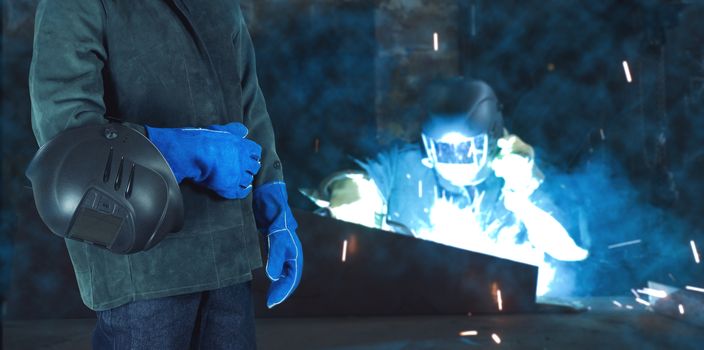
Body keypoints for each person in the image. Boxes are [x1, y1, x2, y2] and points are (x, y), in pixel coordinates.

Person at [29, 0, 302, 348]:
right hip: (142, 267)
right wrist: (187, 151)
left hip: (229, 255)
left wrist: (274, 209)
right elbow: (66, 134)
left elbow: (250, 102)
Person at [303, 78, 587, 295]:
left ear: (492, 137)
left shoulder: (519, 172)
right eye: (441, 149)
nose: (451, 160)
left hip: (503, 321)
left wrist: (524, 192)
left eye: (465, 150)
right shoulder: (406, 163)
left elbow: (572, 251)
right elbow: (356, 174)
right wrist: (351, 190)